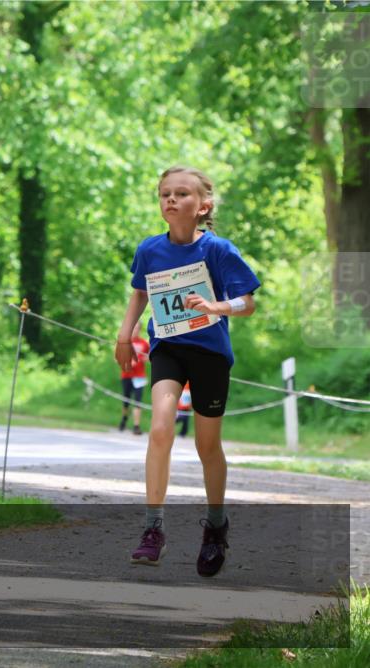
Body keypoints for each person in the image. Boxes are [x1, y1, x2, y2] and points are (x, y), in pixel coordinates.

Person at [115, 166, 259, 577]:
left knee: (206, 446)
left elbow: (247, 303)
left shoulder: (218, 250)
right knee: (160, 427)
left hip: (210, 353)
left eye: (181, 193)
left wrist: (217, 306)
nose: (171, 200)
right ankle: (153, 528)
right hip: (169, 348)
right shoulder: (149, 249)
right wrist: (125, 335)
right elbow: (140, 292)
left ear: (203, 206)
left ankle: (215, 526)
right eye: (165, 194)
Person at [119, 322, 150, 435]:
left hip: (139, 377)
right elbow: (117, 357)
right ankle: (124, 419)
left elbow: (150, 356)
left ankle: (136, 426)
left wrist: (147, 358)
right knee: (126, 400)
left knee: (138, 401)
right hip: (126, 375)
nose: (135, 330)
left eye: (137, 328)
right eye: (133, 328)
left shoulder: (144, 344)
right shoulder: (124, 342)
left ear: (140, 329)